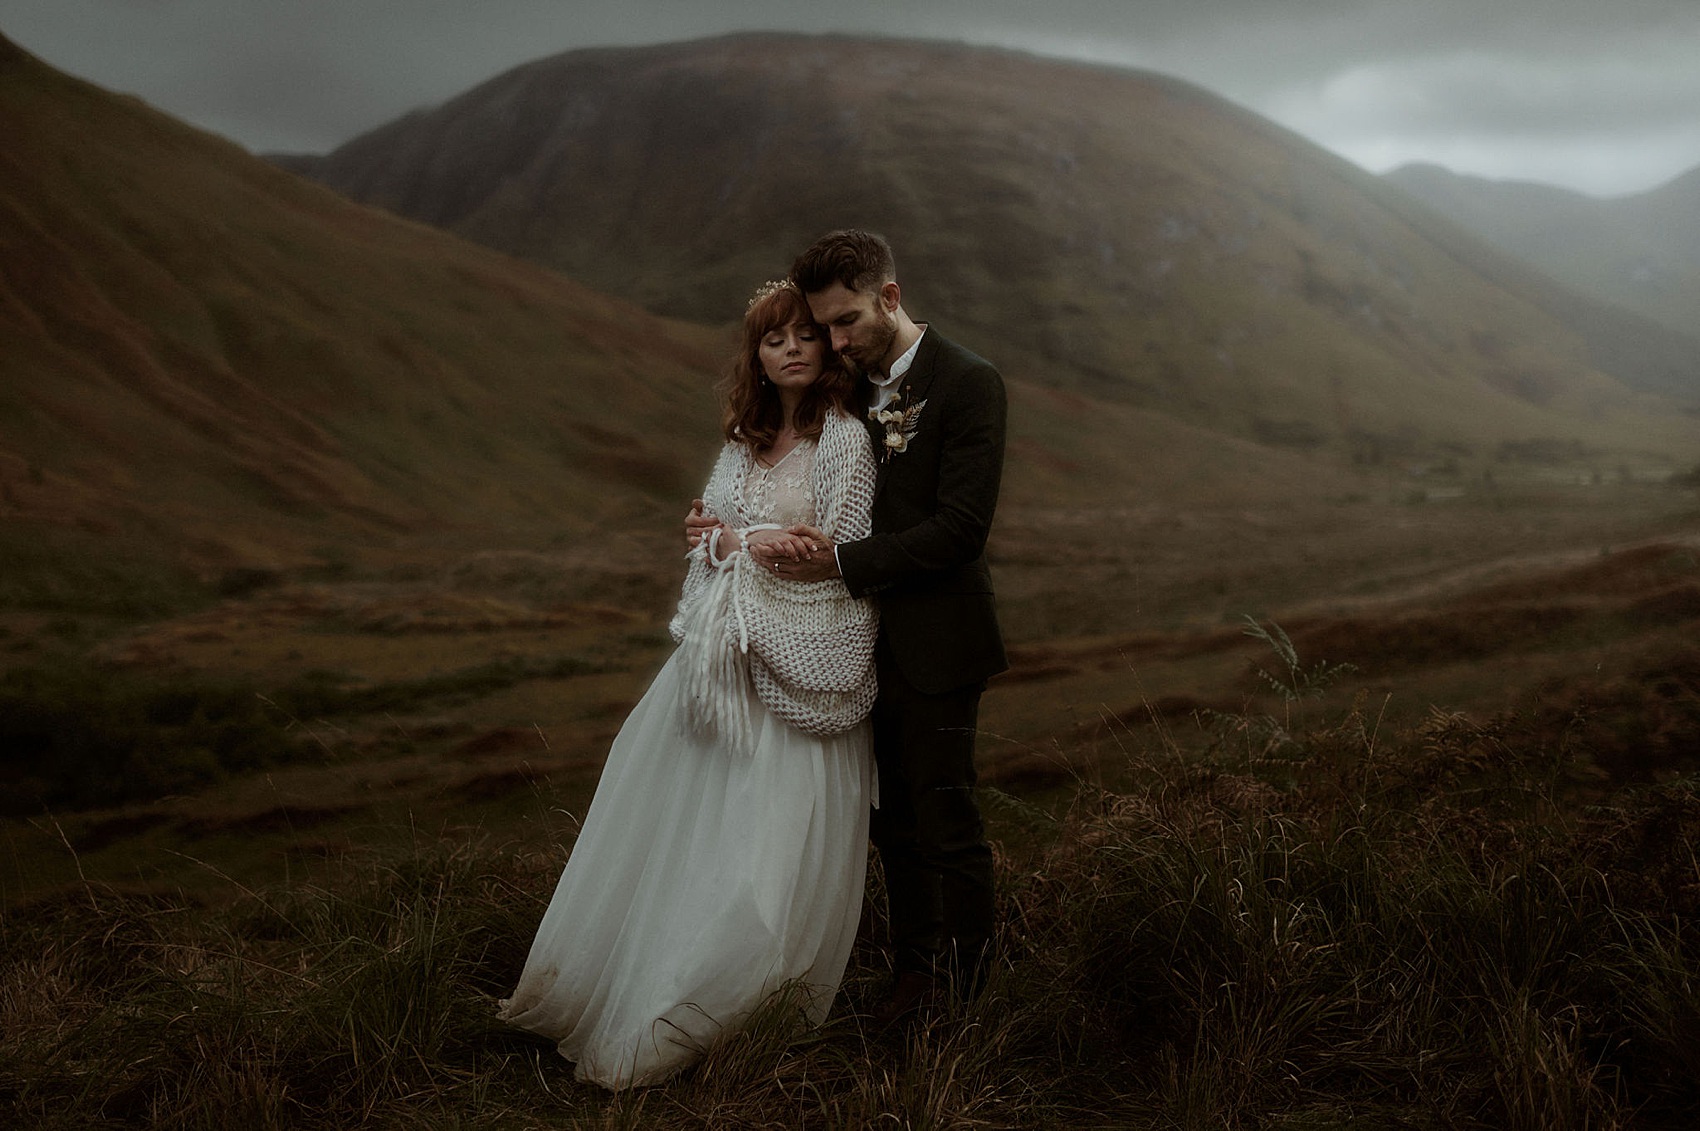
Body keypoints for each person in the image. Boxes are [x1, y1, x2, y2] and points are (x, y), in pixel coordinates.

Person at [500, 279, 880, 1089]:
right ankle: (644, 982)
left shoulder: (844, 437)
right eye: (772, 339)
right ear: (757, 354)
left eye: (803, 336)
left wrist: (736, 540)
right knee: (684, 834)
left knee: (763, 840)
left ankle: (729, 997)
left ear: (827, 346)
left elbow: (843, 545)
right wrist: (717, 539)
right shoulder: (742, 441)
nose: (788, 350)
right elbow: (710, 533)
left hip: (800, 653)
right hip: (720, 659)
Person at [695, 229, 1008, 1019]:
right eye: (821, 327)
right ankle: (912, 977)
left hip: (937, 638)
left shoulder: (969, 382)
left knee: (946, 817)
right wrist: (726, 519)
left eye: (844, 323)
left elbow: (961, 529)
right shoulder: (854, 388)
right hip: (854, 644)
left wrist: (838, 563)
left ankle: (969, 992)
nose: (833, 341)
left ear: (890, 299)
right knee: (889, 823)